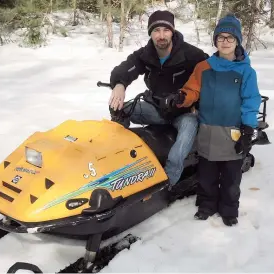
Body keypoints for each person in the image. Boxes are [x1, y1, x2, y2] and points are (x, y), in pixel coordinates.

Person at [176, 13, 261, 226]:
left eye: (230, 38)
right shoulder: (204, 66)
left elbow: (251, 100)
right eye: (221, 37)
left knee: (232, 178)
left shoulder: (247, 72)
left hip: (233, 132)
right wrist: (180, 98)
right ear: (215, 40)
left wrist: (248, 129)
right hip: (207, 130)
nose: (225, 41)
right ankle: (206, 206)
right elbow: (192, 90)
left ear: (237, 41)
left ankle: (229, 210)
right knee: (206, 175)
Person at [108, 10, 208, 186]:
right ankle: (116, 161)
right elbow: (126, 68)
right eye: (156, 30)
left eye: (165, 30)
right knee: (121, 109)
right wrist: (119, 84)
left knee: (185, 135)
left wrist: (198, 104)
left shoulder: (192, 55)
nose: (161, 35)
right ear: (150, 33)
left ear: (173, 31)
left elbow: (209, 77)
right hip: (155, 108)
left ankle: (168, 182)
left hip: (183, 113)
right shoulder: (146, 54)